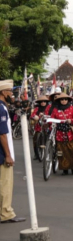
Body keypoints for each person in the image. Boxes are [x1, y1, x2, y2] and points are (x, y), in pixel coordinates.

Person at [0, 80, 25, 224]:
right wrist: (8, 155)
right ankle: (6, 213)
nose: (12, 94)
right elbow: (2, 134)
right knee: (5, 184)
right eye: (10, 91)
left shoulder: (3, 107)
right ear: (3, 93)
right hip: (2, 153)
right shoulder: (1, 109)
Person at [49, 93, 73, 175]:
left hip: (70, 133)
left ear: (68, 100)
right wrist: (52, 124)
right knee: (62, 151)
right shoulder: (55, 109)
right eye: (62, 100)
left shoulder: (71, 108)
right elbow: (52, 119)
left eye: (65, 99)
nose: (64, 101)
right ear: (59, 101)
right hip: (59, 133)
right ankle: (64, 169)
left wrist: (71, 120)